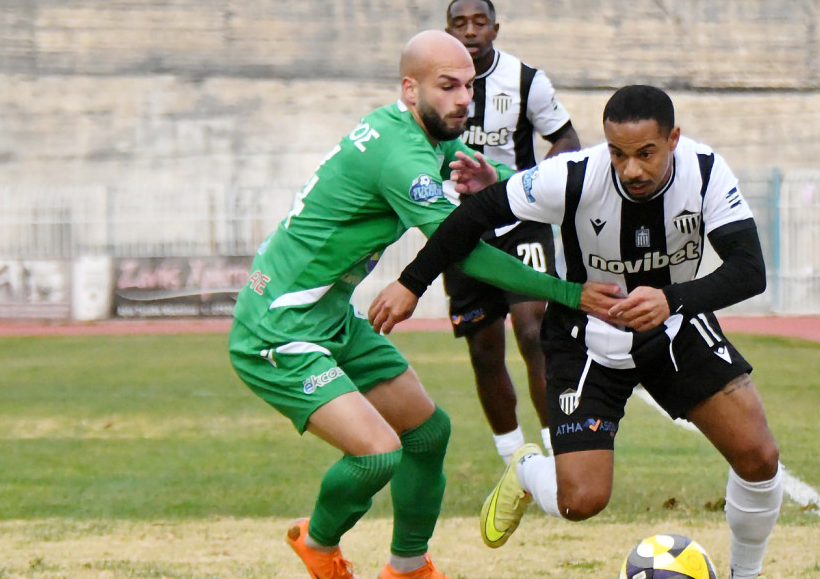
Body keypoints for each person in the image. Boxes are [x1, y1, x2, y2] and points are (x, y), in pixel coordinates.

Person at [227, 30, 615, 579]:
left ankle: (407, 567)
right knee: (377, 452)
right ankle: (317, 544)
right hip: (277, 328)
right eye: (447, 86)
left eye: (470, 86)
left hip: (329, 317)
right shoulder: (402, 156)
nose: (463, 99)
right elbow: (467, 250)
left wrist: (496, 178)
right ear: (410, 89)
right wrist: (570, 293)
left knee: (428, 433)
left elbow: (498, 189)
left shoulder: (424, 135)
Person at [387, 85, 784, 579]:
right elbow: (474, 215)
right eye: (618, 153)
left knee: (759, 457)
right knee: (582, 500)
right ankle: (529, 471)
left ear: (673, 139)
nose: (631, 169)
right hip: (586, 339)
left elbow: (750, 270)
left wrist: (671, 300)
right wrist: (411, 282)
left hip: (676, 327)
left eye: (646, 154)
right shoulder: (573, 176)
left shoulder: (705, 171)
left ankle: (747, 575)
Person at [442, 0, 582, 463]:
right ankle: (514, 461)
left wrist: (540, 183)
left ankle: (556, 446)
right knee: (484, 346)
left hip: (519, 219)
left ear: (495, 30)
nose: (470, 31)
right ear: (448, 33)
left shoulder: (525, 80)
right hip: (461, 229)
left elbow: (565, 137)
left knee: (533, 327)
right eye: (459, 23)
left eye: (480, 22)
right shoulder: (430, 88)